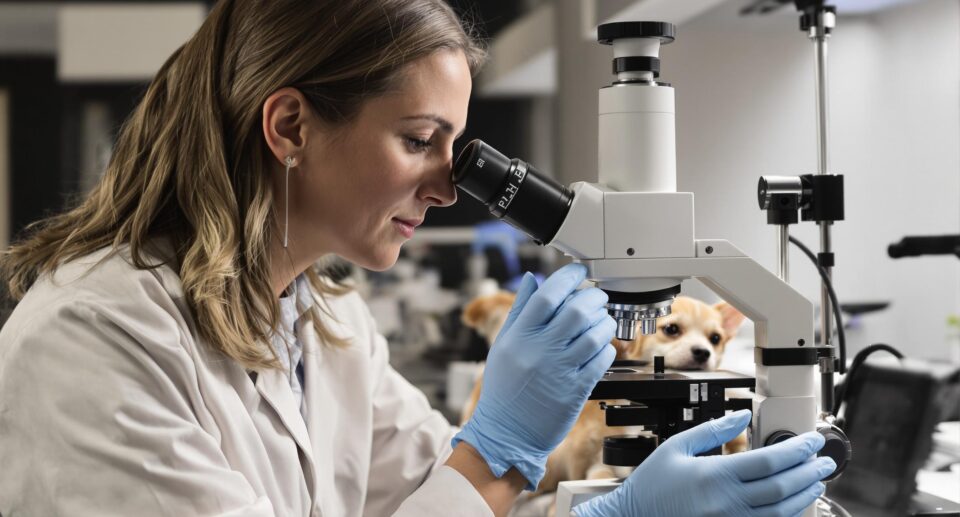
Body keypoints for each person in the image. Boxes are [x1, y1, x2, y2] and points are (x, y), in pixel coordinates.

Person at [0, 1, 835, 516]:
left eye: (456, 149)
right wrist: (502, 443)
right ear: (289, 126)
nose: (446, 187)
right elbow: (476, 481)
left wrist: (616, 509)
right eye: (418, 141)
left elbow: (448, 500)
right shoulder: (94, 341)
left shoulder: (326, 327)